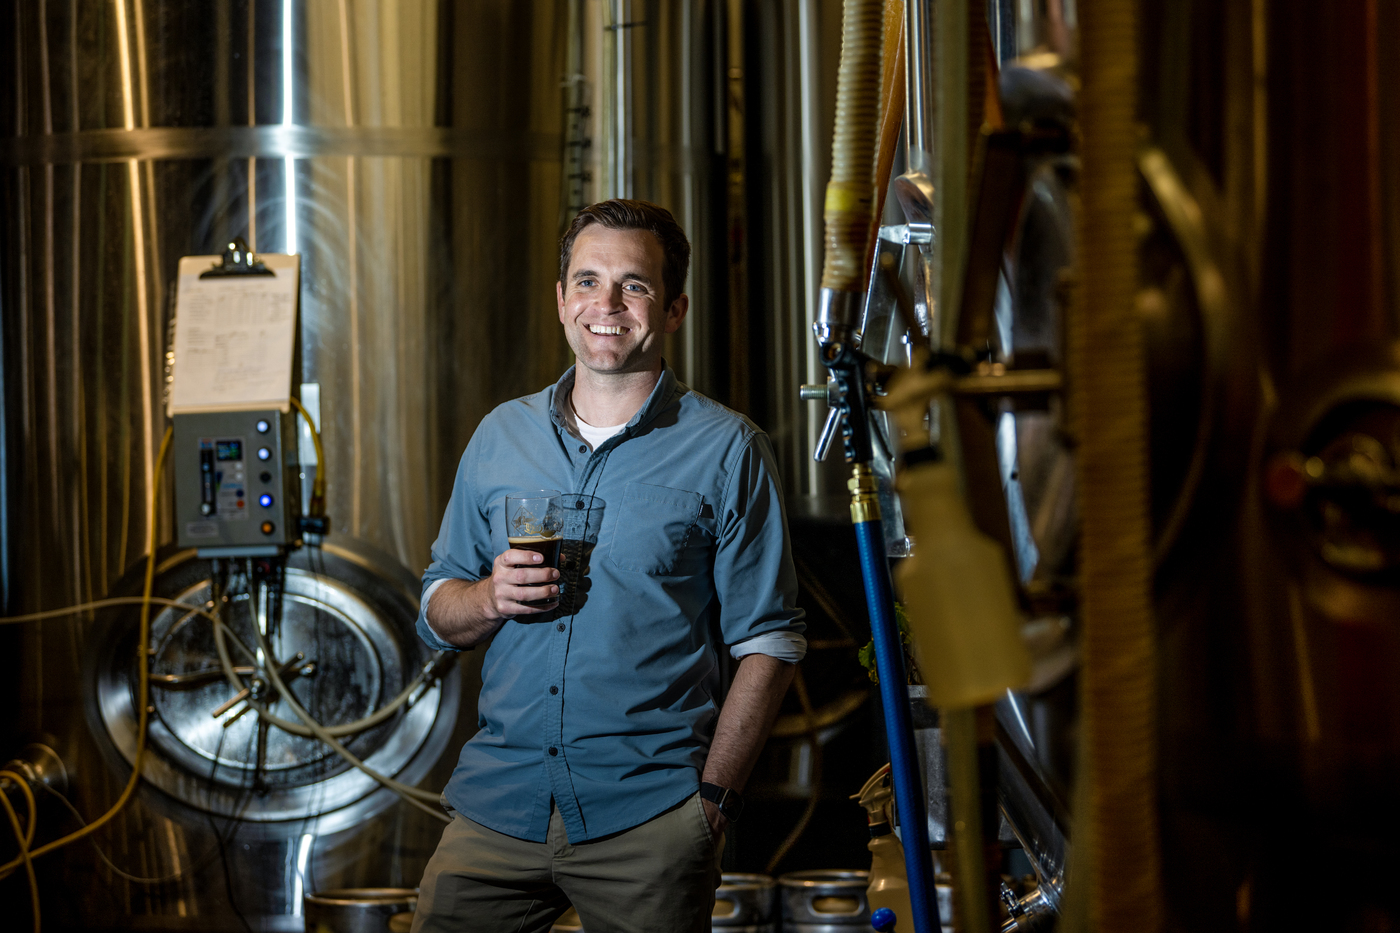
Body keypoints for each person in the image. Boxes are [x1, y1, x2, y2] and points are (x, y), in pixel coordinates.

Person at [411, 199, 806, 933]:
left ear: (675, 308)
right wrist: (490, 597)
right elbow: (438, 605)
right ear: (562, 299)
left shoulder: (728, 450)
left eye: (636, 286)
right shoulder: (500, 435)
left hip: (648, 813)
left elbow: (769, 641)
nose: (608, 304)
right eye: (588, 281)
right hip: (499, 803)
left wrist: (714, 801)